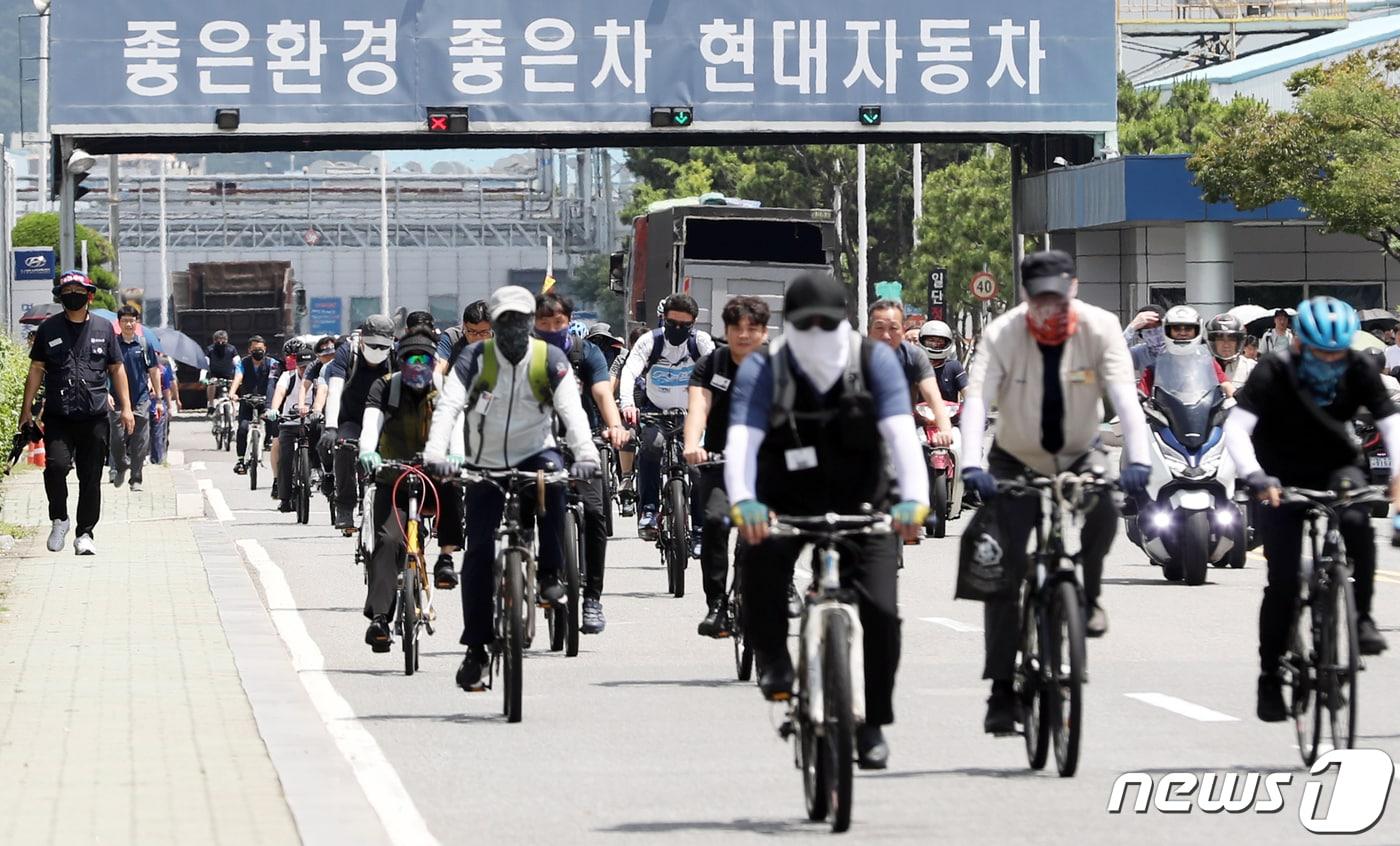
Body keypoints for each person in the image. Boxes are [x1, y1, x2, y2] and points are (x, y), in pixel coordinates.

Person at [726, 272, 929, 770]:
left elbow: (902, 435)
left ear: (844, 321)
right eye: (806, 324)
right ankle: (774, 659)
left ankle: (873, 721)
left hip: (864, 500)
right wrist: (745, 501)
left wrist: (914, 501)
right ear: (789, 325)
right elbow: (742, 442)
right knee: (758, 564)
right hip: (784, 498)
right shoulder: (765, 368)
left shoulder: (873, 360)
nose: (817, 332)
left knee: (881, 612)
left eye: (827, 323)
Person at [959, 250, 1151, 735]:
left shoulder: (1101, 328)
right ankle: (1001, 690)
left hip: (1078, 453)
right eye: (1040, 298)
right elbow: (976, 402)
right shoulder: (1002, 333)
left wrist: (1138, 461)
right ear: (1026, 295)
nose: (1050, 308)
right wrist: (972, 464)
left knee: (1105, 508)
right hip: (1014, 458)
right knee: (1004, 574)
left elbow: (1126, 399)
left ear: (1074, 289)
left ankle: (1089, 595)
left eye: (1058, 297)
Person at [1223, 297, 1398, 722]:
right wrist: (1256, 476)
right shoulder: (1273, 370)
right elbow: (1237, 428)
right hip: (1278, 476)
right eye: (1320, 352)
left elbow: (1391, 421)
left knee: (1357, 522)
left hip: (1337, 466)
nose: (1330, 361)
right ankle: (1269, 677)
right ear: (1300, 343)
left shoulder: (1358, 368)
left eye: (1337, 352)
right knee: (1282, 581)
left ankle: (1362, 619)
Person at [422, 286, 601, 691]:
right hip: (484, 460)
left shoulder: (550, 359)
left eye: (521, 321)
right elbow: (449, 406)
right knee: (478, 553)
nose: (514, 329)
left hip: (536, 451)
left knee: (554, 482)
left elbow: (572, 411)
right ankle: (476, 650)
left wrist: (587, 455)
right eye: (506, 321)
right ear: (496, 324)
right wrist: (436, 453)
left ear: (530, 323)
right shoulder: (474, 358)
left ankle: (551, 572)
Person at [357, 328, 467, 650]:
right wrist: (368, 451)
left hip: (434, 472)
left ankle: (445, 559)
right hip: (393, 476)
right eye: (410, 359)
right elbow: (371, 424)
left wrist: (456, 454)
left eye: (425, 360)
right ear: (399, 361)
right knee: (387, 540)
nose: (418, 365)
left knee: (451, 487)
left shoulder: (445, 387)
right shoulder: (384, 386)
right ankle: (380, 618)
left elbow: (456, 423)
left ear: (434, 362)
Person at [19, 270, 135, 555]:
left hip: (94, 415)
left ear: (89, 296)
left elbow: (116, 368)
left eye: (78, 291)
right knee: (56, 467)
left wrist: (127, 408)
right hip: (59, 415)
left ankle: (85, 533)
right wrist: (26, 410)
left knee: (91, 476)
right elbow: (36, 369)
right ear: (60, 297)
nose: (73, 295)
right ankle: (59, 519)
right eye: (67, 291)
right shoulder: (49, 329)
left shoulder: (104, 329)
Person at [535, 292, 628, 634]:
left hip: (582, 442)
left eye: (558, 323)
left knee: (594, 513)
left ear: (569, 322)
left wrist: (615, 427)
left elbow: (603, 393)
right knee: (525, 506)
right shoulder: (523, 354)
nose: (551, 329)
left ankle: (592, 599)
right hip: (533, 445)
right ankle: (524, 572)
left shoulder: (585, 353)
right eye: (543, 323)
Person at [684, 295, 769, 638]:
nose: (744, 335)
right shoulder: (712, 365)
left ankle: (785, 583)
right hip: (720, 459)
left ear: (765, 332)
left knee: (778, 526)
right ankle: (717, 603)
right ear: (726, 330)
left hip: (767, 462)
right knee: (715, 522)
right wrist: (693, 445)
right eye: (737, 328)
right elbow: (698, 408)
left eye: (752, 328)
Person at [618, 293, 717, 539]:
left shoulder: (701, 342)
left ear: (694, 323)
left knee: (697, 468)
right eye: (672, 323)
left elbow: (716, 372)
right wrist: (628, 404)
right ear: (663, 318)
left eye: (685, 325)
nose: (678, 329)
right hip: (655, 412)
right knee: (651, 447)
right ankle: (649, 510)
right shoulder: (649, 342)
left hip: (691, 415)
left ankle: (699, 529)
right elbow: (629, 372)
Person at [321, 315, 396, 531]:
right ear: (362, 338)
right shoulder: (347, 352)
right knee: (344, 448)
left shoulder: (395, 356)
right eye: (373, 345)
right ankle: (345, 506)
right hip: (351, 418)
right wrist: (331, 427)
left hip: (383, 418)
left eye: (383, 346)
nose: (377, 351)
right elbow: (335, 389)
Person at [866, 299, 954, 443]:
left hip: (900, 430)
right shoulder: (854, 356)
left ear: (902, 331)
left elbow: (933, 398)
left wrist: (945, 431)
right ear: (869, 330)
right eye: (879, 328)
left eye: (893, 328)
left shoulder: (914, 357)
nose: (886, 335)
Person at [107, 305, 162, 492]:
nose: (128, 324)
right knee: (116, 438)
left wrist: (159, 398)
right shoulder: (112, 345)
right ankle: (120, 465)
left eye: (132, 320)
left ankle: (136, 478)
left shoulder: (144, 345)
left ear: (137, 322)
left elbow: (154, 371)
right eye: (125, 320)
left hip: (141, 399)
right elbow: (102, 371)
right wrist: (106, 392)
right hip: (116, 400)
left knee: (140, 441)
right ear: (119, 323)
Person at [266, 340, 319, 513]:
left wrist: (318, 411)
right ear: (296, 366)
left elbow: (323, 395)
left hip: (311, 423)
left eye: (308, 367)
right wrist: (274, 409)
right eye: (302, 367)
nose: (305, 371)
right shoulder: (287, 377)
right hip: (289, 422)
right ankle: (284, 498)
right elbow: (279, 393)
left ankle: (317, 471)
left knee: (320, 444)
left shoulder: (318, 379)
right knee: (285, 460)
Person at [1138, 305, 1236, 399]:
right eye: (1176, 328)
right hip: (1165, 410)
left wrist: (1237, 399)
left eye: (1188, 328)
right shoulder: (1156, 367)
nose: (1182, 333)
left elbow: (1226, 384)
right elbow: (1140, 394)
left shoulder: (1207, 361)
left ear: (1197, 330)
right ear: (1167, 330)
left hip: (1204, 408)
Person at [230, 335, 275, 475]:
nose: (258, 351)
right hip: (247, 400)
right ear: (249, 350)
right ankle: (241, 460)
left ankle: (268, 441)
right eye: (255, 349)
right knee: (242, 428)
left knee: (272, 421)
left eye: (260, 349)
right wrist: (232, 393)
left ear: (265, 349)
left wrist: (272, 401)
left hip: (266, 400)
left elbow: (273, 382)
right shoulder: (243, 363)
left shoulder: (272, 363)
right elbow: (238, 377)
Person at [435, 300, 491, 380]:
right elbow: (440, 365)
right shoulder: (453, 337)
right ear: (464, 325)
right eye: (472, 332)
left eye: (484, 332)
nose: (478, 338)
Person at [918, 320, 969, 403]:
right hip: (917, 411)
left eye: (940, 341)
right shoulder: (913, 367)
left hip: (948, 411)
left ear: (947, 343)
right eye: (931, 340)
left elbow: (967, 391)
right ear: (922, 341)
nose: (935, 344)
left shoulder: (954, 367)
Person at [1207, 313, 1256, 388]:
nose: (1226, 345)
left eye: (1231, 339)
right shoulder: (1203, 366)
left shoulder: (1251, 368)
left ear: (1238, 342)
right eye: (1220, 339)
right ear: (1213, 342)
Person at [202, 329, 239, 410]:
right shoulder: (210, 349)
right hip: (214, 375)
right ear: (214, 340)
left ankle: (234, 407)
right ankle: (211, 405)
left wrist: (240, 376)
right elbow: (205, 364)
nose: (221, 342)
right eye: (218, 339)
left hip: (229, 375)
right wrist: (202, 377)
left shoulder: (232, 349)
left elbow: (238, 363)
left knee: (233, 389)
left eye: (223, 339)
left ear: (227, 340)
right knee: (211, 384)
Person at [1124, 304, 1167, 374]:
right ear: (1141, 334)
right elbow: (1111, 356)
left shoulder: (1179, 348)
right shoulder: (1139, 353)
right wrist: (1131, 327)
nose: (1154, 333)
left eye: (1157, 326)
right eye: (1147, 329)